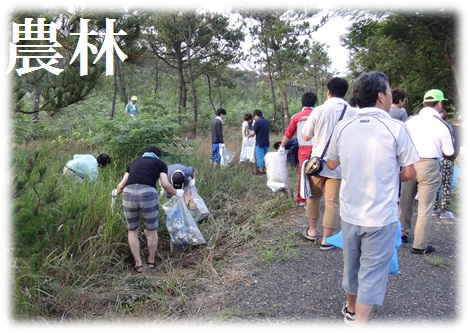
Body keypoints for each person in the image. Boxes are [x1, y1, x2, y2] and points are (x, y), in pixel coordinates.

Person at [326, 71, 418, 325]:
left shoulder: (343, 126)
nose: (390, 95)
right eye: (389, 91)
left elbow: (332, 163)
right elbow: (410, 172)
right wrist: (391, 174)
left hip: (350, 211)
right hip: (380, 215)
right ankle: (360, 323)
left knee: (352, 265)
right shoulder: (396, 127)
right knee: (373, 271)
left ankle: (351, 310)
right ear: (380, 96)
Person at [301, 77, 356, 250]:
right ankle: (327, 239)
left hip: (317, 163)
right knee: (332, 202)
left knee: (314, 197)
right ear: (345, 92)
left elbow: (305, 136)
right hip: (339, 165)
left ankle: (311, 231)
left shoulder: (318, 110)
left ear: (328, 91)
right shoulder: (352, 112)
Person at [399, 89, 454, 254]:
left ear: (423, 103)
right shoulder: (442, 124)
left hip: (408, 162)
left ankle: (402, 233)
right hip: (429, 165)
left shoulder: (410, 121)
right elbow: (449, 152)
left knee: (405, 202)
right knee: (425, 206)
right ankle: (420, 244)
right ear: (439, 104)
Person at [114, 146, 184, 273]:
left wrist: (115, 193)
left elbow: (121, 185)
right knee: (151, 230)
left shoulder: (134, 162)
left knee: (132, 230)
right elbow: (165, 183)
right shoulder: (160, 163)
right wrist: (176, 193)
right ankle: (151, 262)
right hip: (147, 193)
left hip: (128, 193)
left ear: (144, 154)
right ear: (158, 156)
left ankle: (138, 264)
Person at [277, 91, 317, 206]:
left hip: (303, 148)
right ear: (314, 102)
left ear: (302, 102)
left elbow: (288, 133)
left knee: (303, 174)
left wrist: (282, 147)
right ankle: (314, 197)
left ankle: (301, 199)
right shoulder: (319, 114)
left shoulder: (297, 116)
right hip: (317, 148)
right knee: (317, 174)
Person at [432, 109, 460, 219]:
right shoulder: (457, 129)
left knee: (436, 184)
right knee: (446, 185)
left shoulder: (437, 127)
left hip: (436, 158)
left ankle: (433, 208)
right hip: (448, 159)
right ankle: (444, 211)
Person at [247, 109, 270, 176]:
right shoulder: (267, 121)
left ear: (256, 115)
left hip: (260, 142)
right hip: (267, 142)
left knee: (260, 157)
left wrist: (247, 137)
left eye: (254, 116)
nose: (254, 118)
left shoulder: (257, 122)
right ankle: (266, 171)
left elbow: (253, 133)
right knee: (266, 157)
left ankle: (260, 172)